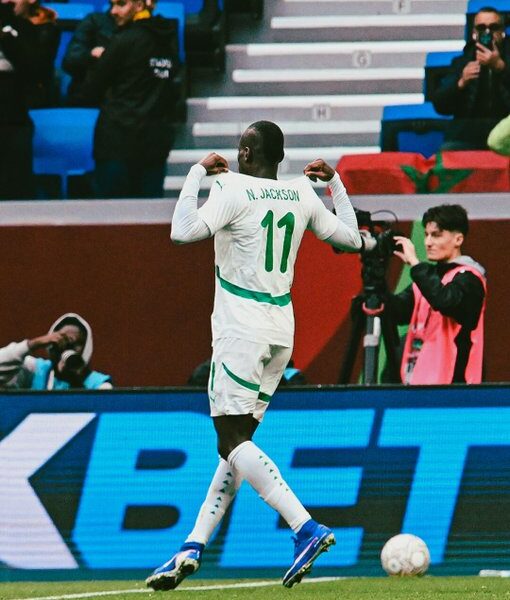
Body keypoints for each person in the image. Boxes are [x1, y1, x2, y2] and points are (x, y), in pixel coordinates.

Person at [146, 120, 362, 590]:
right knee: (237, 444)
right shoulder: (303, 193)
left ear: (245, 152)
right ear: (280, 158)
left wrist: (197, 173)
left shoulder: (230, 187)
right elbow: (354, 239)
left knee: (230, 440)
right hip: (281, 328)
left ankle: (305, 527)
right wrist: (335, 184)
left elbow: (182, 232)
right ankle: (192, 545)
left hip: (240, 328)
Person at [79, 0, 180, 199]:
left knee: (113, 214)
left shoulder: (123, 40)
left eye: (121, 4)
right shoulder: (168, 41)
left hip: (117, 143)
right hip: (153, 143)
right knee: (148, 214)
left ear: (140, 5)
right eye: (112, 5)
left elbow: (91, 89)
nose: (113, 11)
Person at [386, 204, 486, 385]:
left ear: (458, 239)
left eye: (436, 235)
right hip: (417, 381)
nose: (427, 242)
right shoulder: (427, 279)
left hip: (454, 386)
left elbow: (444, 300)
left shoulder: (470, 278)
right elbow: (397, 312)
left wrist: (416, 264)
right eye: (426, 235)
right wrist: (377, 279)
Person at [0, 0, 59, 199]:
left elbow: (37, 71)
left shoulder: (27, 29)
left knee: (14, 190)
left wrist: (7, 31)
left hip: (12, 120)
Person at [432, 6, 510, 150]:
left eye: (494, 27)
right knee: (448, 150)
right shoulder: (462, 62)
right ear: (474, 33)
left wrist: (501, 68)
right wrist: (461, 83)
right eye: (482, 28)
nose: (488, 32)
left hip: (506, 135)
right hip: (469, 135)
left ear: (502, 32)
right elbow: (440, 105)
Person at [0, 313, 112, 389]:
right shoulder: (35, 371)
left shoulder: (99, 383)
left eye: (77, 343)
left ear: (87, 348)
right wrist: (34, 344)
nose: (69, 348)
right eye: (63, 341)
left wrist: (76, 378)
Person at [61, 9, 117, 106]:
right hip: (89, 95)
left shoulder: (141, 30)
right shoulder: (95, 20)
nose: (114, 10)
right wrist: (91, 55)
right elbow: (70, 61)